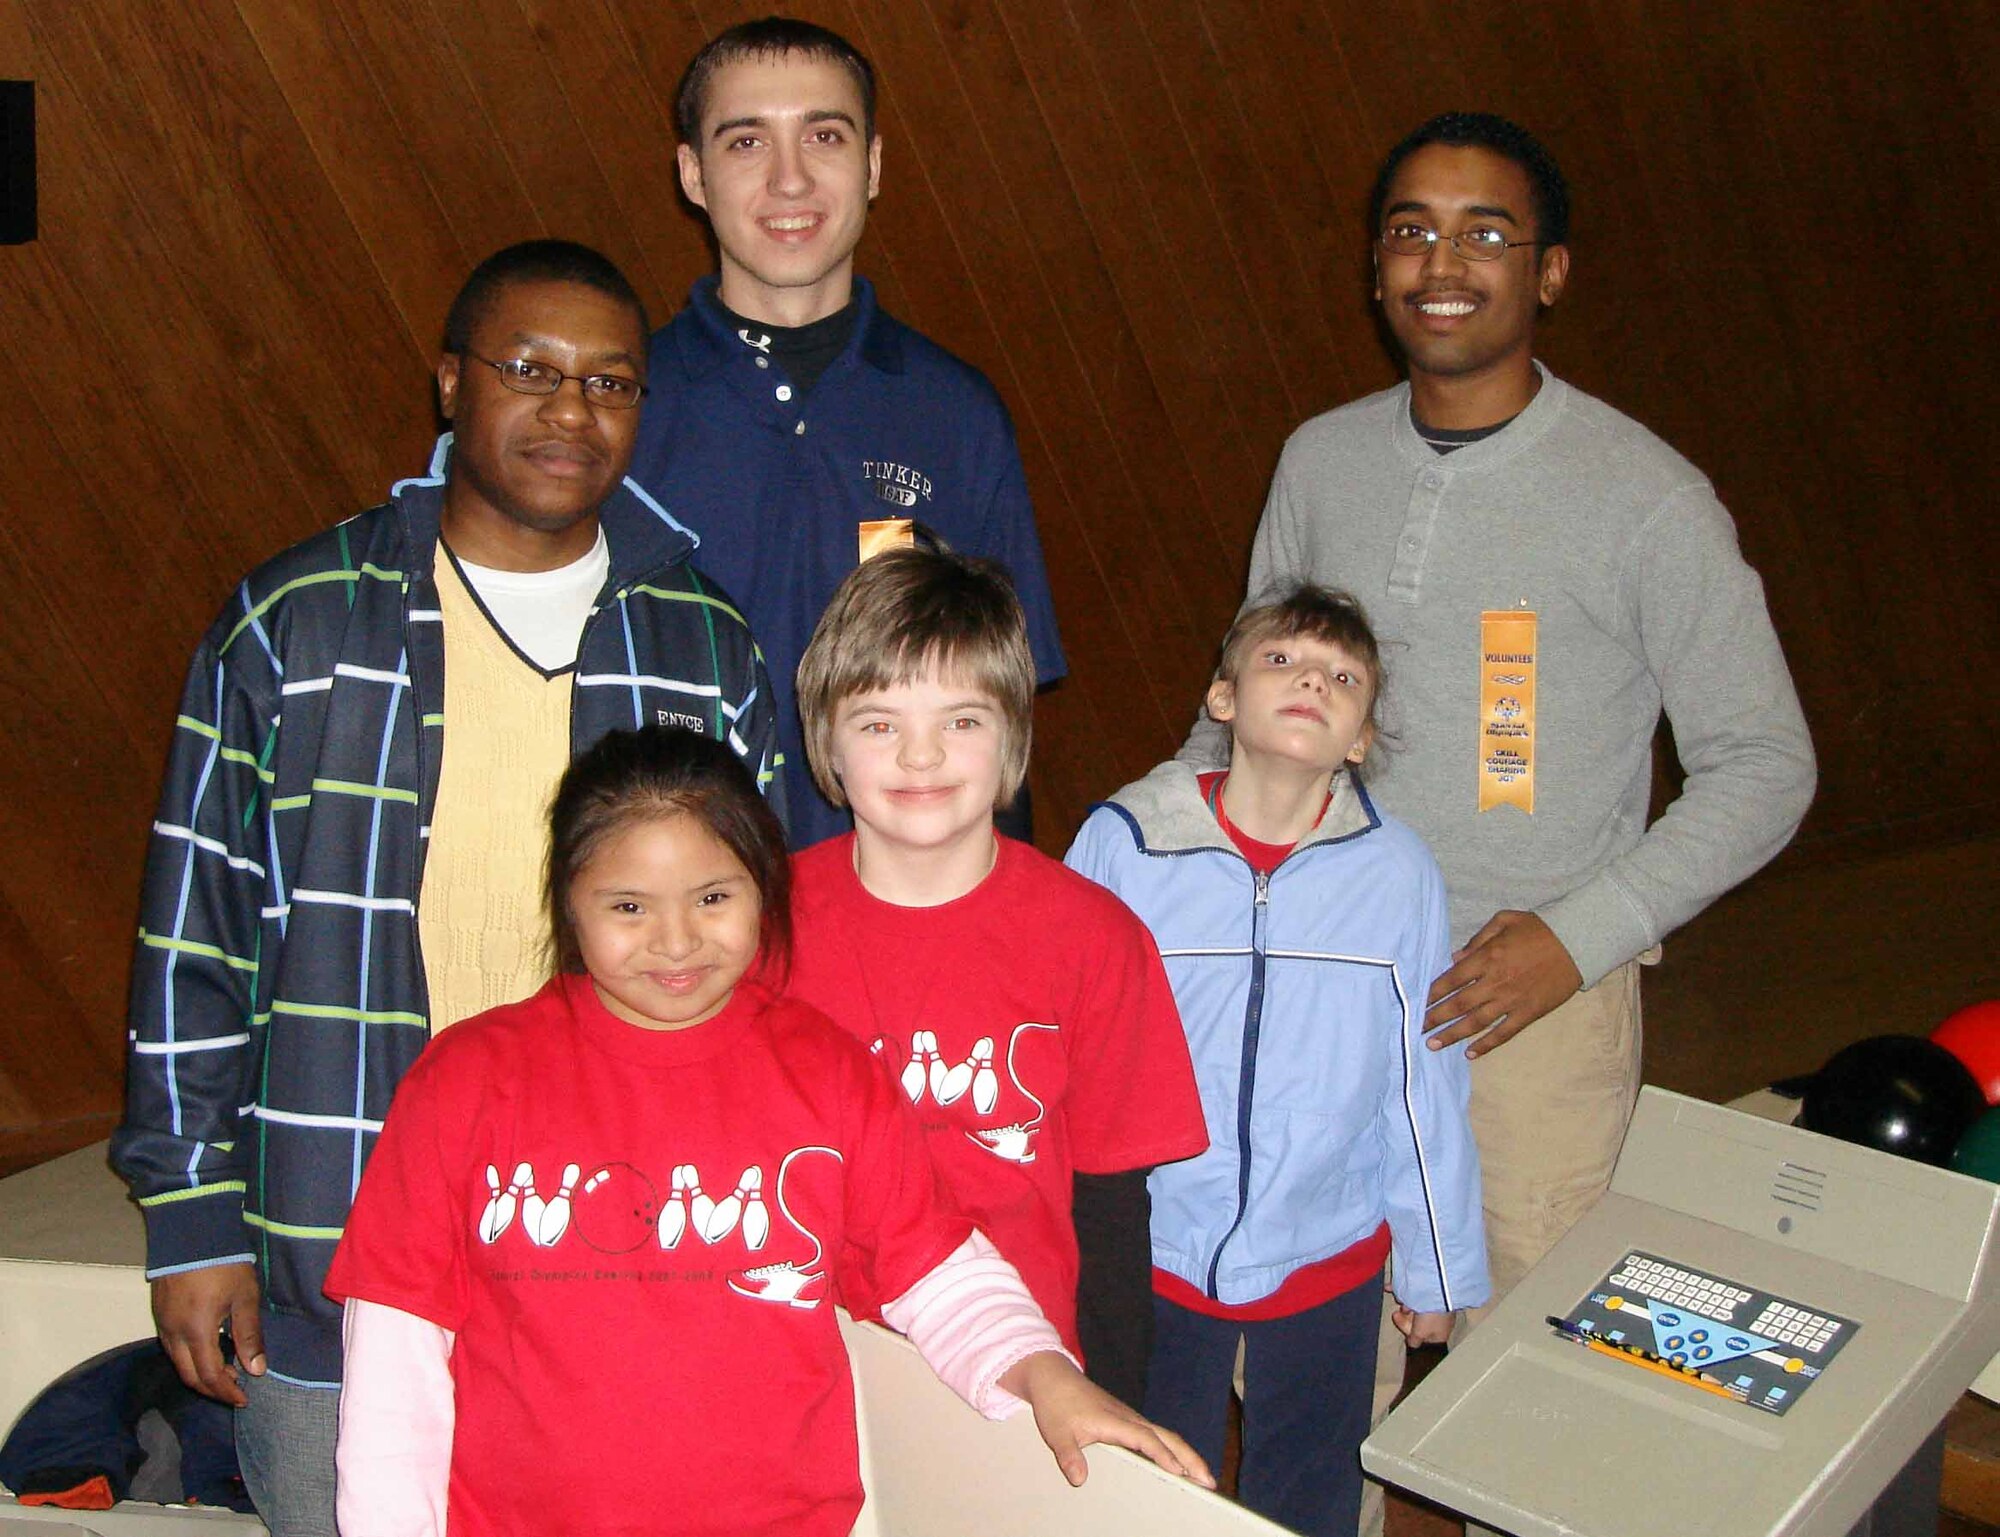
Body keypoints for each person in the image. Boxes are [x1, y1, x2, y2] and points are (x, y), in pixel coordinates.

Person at [1182, 112, 1816, 1531]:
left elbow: (1765, 763)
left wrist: (1580, 941)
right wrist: (1160, 877)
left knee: (1523, 1388)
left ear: (1554, 273)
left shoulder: (1644, 496)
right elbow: (1240, 711)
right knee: (1309, 1360)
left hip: (1523, 1011)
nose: (1443, 262)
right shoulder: (1320, 459)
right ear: (1374, 268)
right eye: (1411, 229)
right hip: (1327, 988)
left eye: (1486, 232)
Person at [109, 240, 782, 1536]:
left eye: (610, 382)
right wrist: (193, 1217)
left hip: (621, 1260)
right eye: (532, 369)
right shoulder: (297, 620)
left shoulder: (702, 640)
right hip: (338, 1240)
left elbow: (756, 965)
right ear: (451, 382)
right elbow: (195, 930)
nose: (571, 410)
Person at [325, 726, 1211, 1536]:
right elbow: (394, 1372)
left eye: (713, 895)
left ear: (765, 888)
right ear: (569, 904)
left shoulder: (826, 1070)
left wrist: (1044, 1372)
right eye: (628, 907)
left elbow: (939, 1272)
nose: (676, 942)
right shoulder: (465, 1081)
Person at [1069, 585, 1487, 1536]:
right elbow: (1066, 1051)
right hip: (1156, 1251)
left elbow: (1421, 1084)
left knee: (1309, 1496)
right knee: (1151, 1492)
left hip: (1326, 1254)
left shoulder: (1397, 873)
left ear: (1360, 739)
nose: (1313, 680)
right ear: (1222, 700)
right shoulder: (1124, 843)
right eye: (1283, 660)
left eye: (1343, 677)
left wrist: (1435, 1265)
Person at [786, 547, 1209, 1406]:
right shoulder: (759, 929)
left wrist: (1115, 1398)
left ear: (1013, 733)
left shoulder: (1096, 938)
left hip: (1027, 1374)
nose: (920, 755)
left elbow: (1113, 1210)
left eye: (962, 720)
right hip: (813, 1370)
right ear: (824, 740)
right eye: (878, 722)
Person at [629, 16, 1066, 847]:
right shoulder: (625, 409)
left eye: (824, 135)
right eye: (747, 141)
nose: (790, 181)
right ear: (693, 173)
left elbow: (1002, 724)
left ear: (871, 165)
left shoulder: (958, 413)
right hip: (677, 916)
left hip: (895, 906)